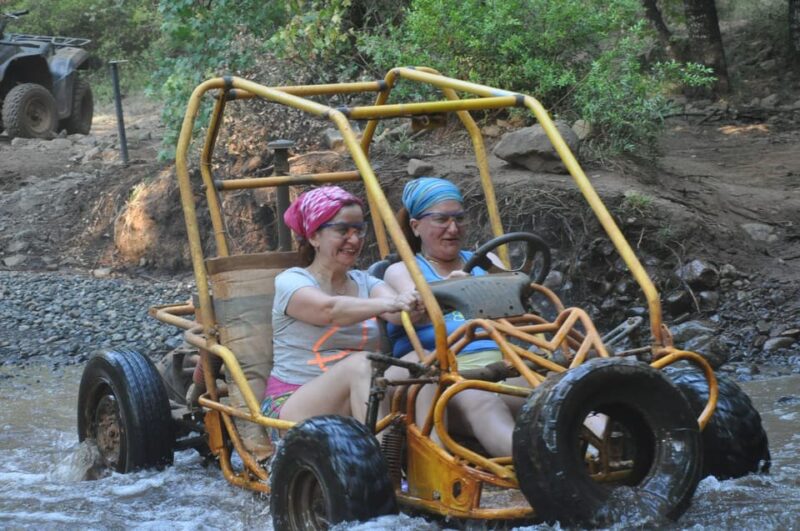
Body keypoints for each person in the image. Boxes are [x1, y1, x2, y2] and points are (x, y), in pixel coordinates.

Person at [261, 186, 422, 432]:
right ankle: (382, 466)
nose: (355, 239)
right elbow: (329, 310)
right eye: (342, 230)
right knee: (362, 364)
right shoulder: (291, 280)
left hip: (361, 389)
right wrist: (392, 303)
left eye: (359, 230)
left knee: (421, 362)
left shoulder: (366, 281)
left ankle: (433, 461)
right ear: (314, 236)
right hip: (293, 403)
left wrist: (431, 295)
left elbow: (402, 315)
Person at [383, 177, 520, 457]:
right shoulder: (402, 270)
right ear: (415, 226)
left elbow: (517, 302)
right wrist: (456, 289)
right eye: (441, 219)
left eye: (459, 218)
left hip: (504, 365)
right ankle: (542, 470)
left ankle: (600, 451)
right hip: (445, 373)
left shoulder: (487, 261)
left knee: (562, 389)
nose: (453, 228)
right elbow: (417, 306)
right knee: (482, 400)